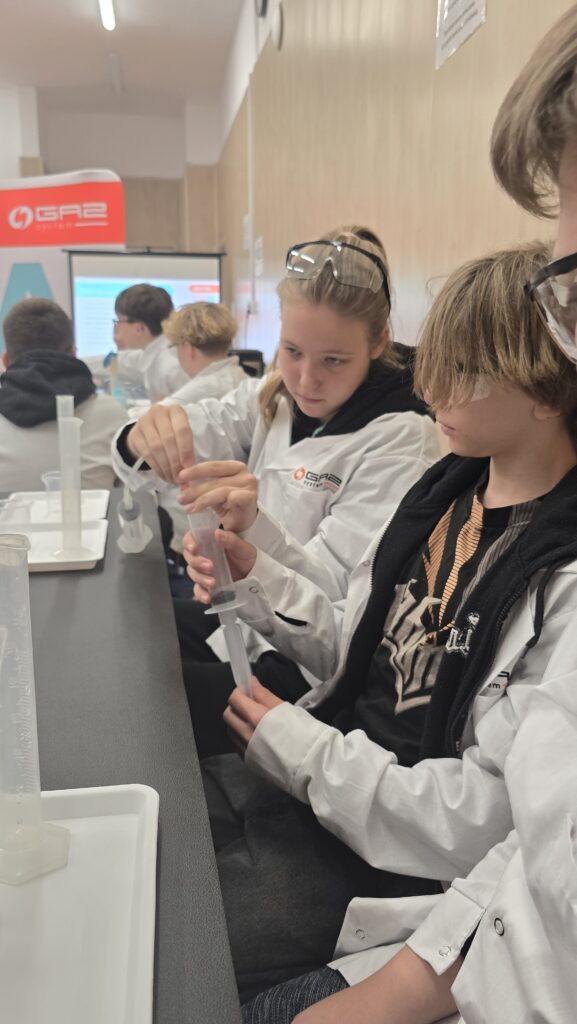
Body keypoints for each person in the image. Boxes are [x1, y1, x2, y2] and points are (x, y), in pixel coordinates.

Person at [185, 241, 577, 1006]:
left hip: (388, 852)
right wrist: (255, 575)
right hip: (320, 777)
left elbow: (483, 817)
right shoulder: (442, 494)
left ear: (544, 388)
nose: (428, 388)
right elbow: (353, 644)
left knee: (177, 939)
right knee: (159, 831)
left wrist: (306, 755)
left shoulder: (556, 578)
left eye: (461, 370)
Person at [111, 226, 440, 756]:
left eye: (333, 360)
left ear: (378, 342)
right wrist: (145, 435)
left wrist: (252, 537)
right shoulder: (274, 396)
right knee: (131, 634)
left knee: (142, 703)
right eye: (291, 351)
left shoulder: (403, 440)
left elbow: (336, 607)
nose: (306, 379)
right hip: (244, 625)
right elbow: (182, 433)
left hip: (305, 672)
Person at [0, 297, 127, 491]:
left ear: (6, 360)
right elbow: (136, 496)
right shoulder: (111, 415)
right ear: (74, 353)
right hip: (90, 512)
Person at [111, 283, 188, 402]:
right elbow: (121, 361)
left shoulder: (171, 366)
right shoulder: (155, 352)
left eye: (119, 321)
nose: (116, 327)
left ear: (139, 329)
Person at [161, 301, 247, 405]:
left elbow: (152, 413)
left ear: (188, 348)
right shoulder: (243, 379)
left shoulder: (196, 393)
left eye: (176, 346)